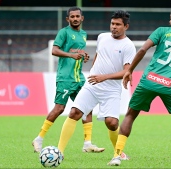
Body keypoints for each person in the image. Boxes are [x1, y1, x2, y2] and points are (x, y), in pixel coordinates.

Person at [107, 4, 171, 167]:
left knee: (131, 114)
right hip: (170, 85)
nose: (169, 19)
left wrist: (129, 70)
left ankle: (117, 156)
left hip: (148, 81)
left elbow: (142, 51)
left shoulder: (162, 31)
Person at [56, 10, 136, 160]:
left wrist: (103, 77)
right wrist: (94, 72)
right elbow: (99, 55)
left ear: (126, 26)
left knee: (111, 123)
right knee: (74, 113)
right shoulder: (102, 37)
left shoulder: (128, 46)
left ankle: (119, 153)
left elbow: (126, 72)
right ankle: (59, 152)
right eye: (112, 24)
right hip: (92, 85)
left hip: (111, 89)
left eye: (118, 25)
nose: (114, 27)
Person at [32, 6, 104, 153]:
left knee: (88, 107)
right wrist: (71, 56)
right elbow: (54, 50)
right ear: (68, 19)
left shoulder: (83, 34)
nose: (75, 19)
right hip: (65, 78)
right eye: (72, 17)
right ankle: (38, 139)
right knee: (59, 109)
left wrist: (83, 56)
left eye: (78, 16)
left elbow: (77, 52)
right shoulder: (64, 32)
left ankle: (87, 143)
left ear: (82, 18)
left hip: (79, 78)